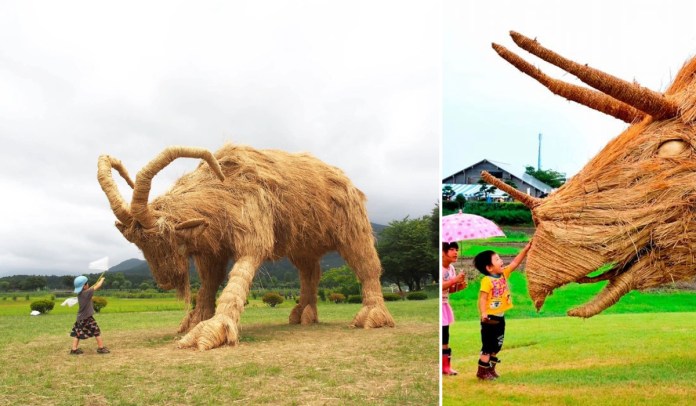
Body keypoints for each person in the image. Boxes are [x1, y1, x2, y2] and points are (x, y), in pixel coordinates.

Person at [473, 241, 532, 380]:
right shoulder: (487, 280)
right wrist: (483, 313)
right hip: (489, 318)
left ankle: (491, 370)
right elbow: (482, 299)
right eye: (497, 259)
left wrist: (526, 249)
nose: (501, 261)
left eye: (500, 258)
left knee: (497, 345)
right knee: (487, 346)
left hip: (500, 317)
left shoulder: (504, 274)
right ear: (489, 267)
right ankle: (482, 372)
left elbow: (515, 263)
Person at [441, 241, 467, 376]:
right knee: (443, 335)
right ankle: (444, 366)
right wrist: (454, 281)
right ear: (442, 252)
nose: (456, 252)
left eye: (456, 249)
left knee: (445, 335)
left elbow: (448, 289)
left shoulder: (451, 268)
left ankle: (446, 366)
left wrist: (459, 286)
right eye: (451, 249)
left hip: (445, 304)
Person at [69, 275, 110, 355]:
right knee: (96, 331)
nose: (88, 284)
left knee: (78, 333)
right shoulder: (87, 292)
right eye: (87, 283)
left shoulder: (81, 293)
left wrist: (89, 290)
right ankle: (101, 348)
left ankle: (74, 349)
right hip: (86, 318)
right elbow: (98, 286)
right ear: (84, 286)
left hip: (80, 318)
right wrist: (102, 279)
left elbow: (90, 295)